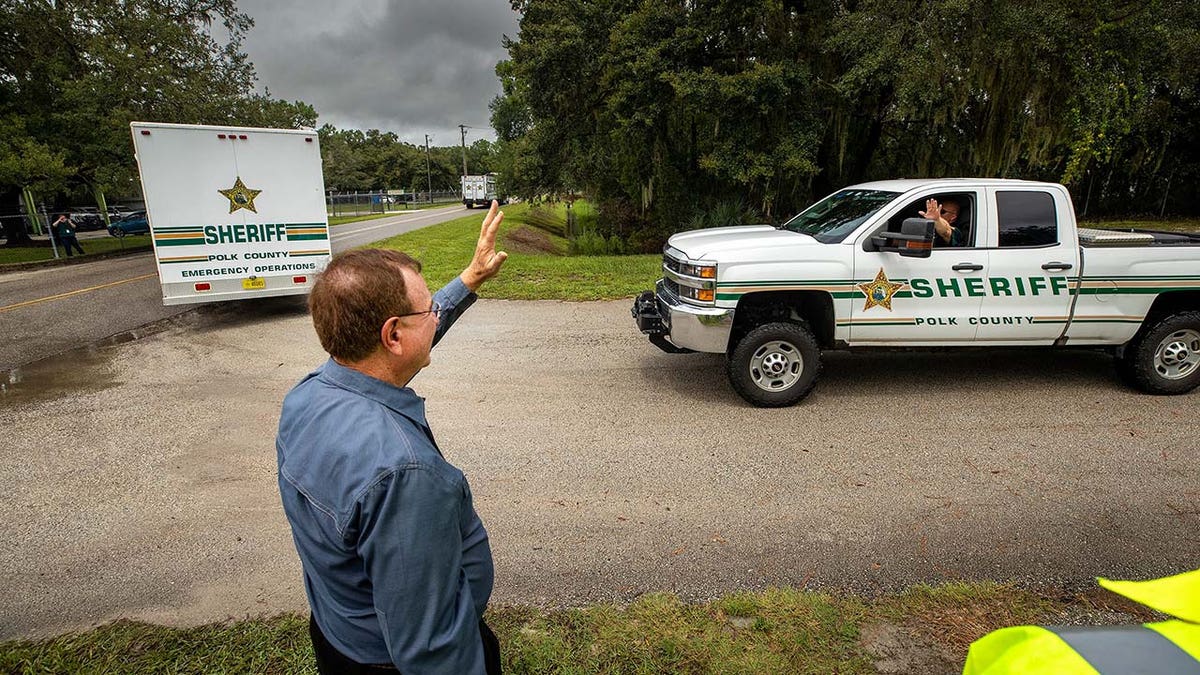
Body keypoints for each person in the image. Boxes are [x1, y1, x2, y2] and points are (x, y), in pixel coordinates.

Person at [276, 202, 509, 674]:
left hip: (339, 635)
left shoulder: (307, 396)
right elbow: (429, 644)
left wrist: (468, 281)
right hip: (393, 660)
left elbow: (400, 343)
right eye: (428, 310)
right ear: (393, 335)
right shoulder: (402, 473)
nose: (435, 316)